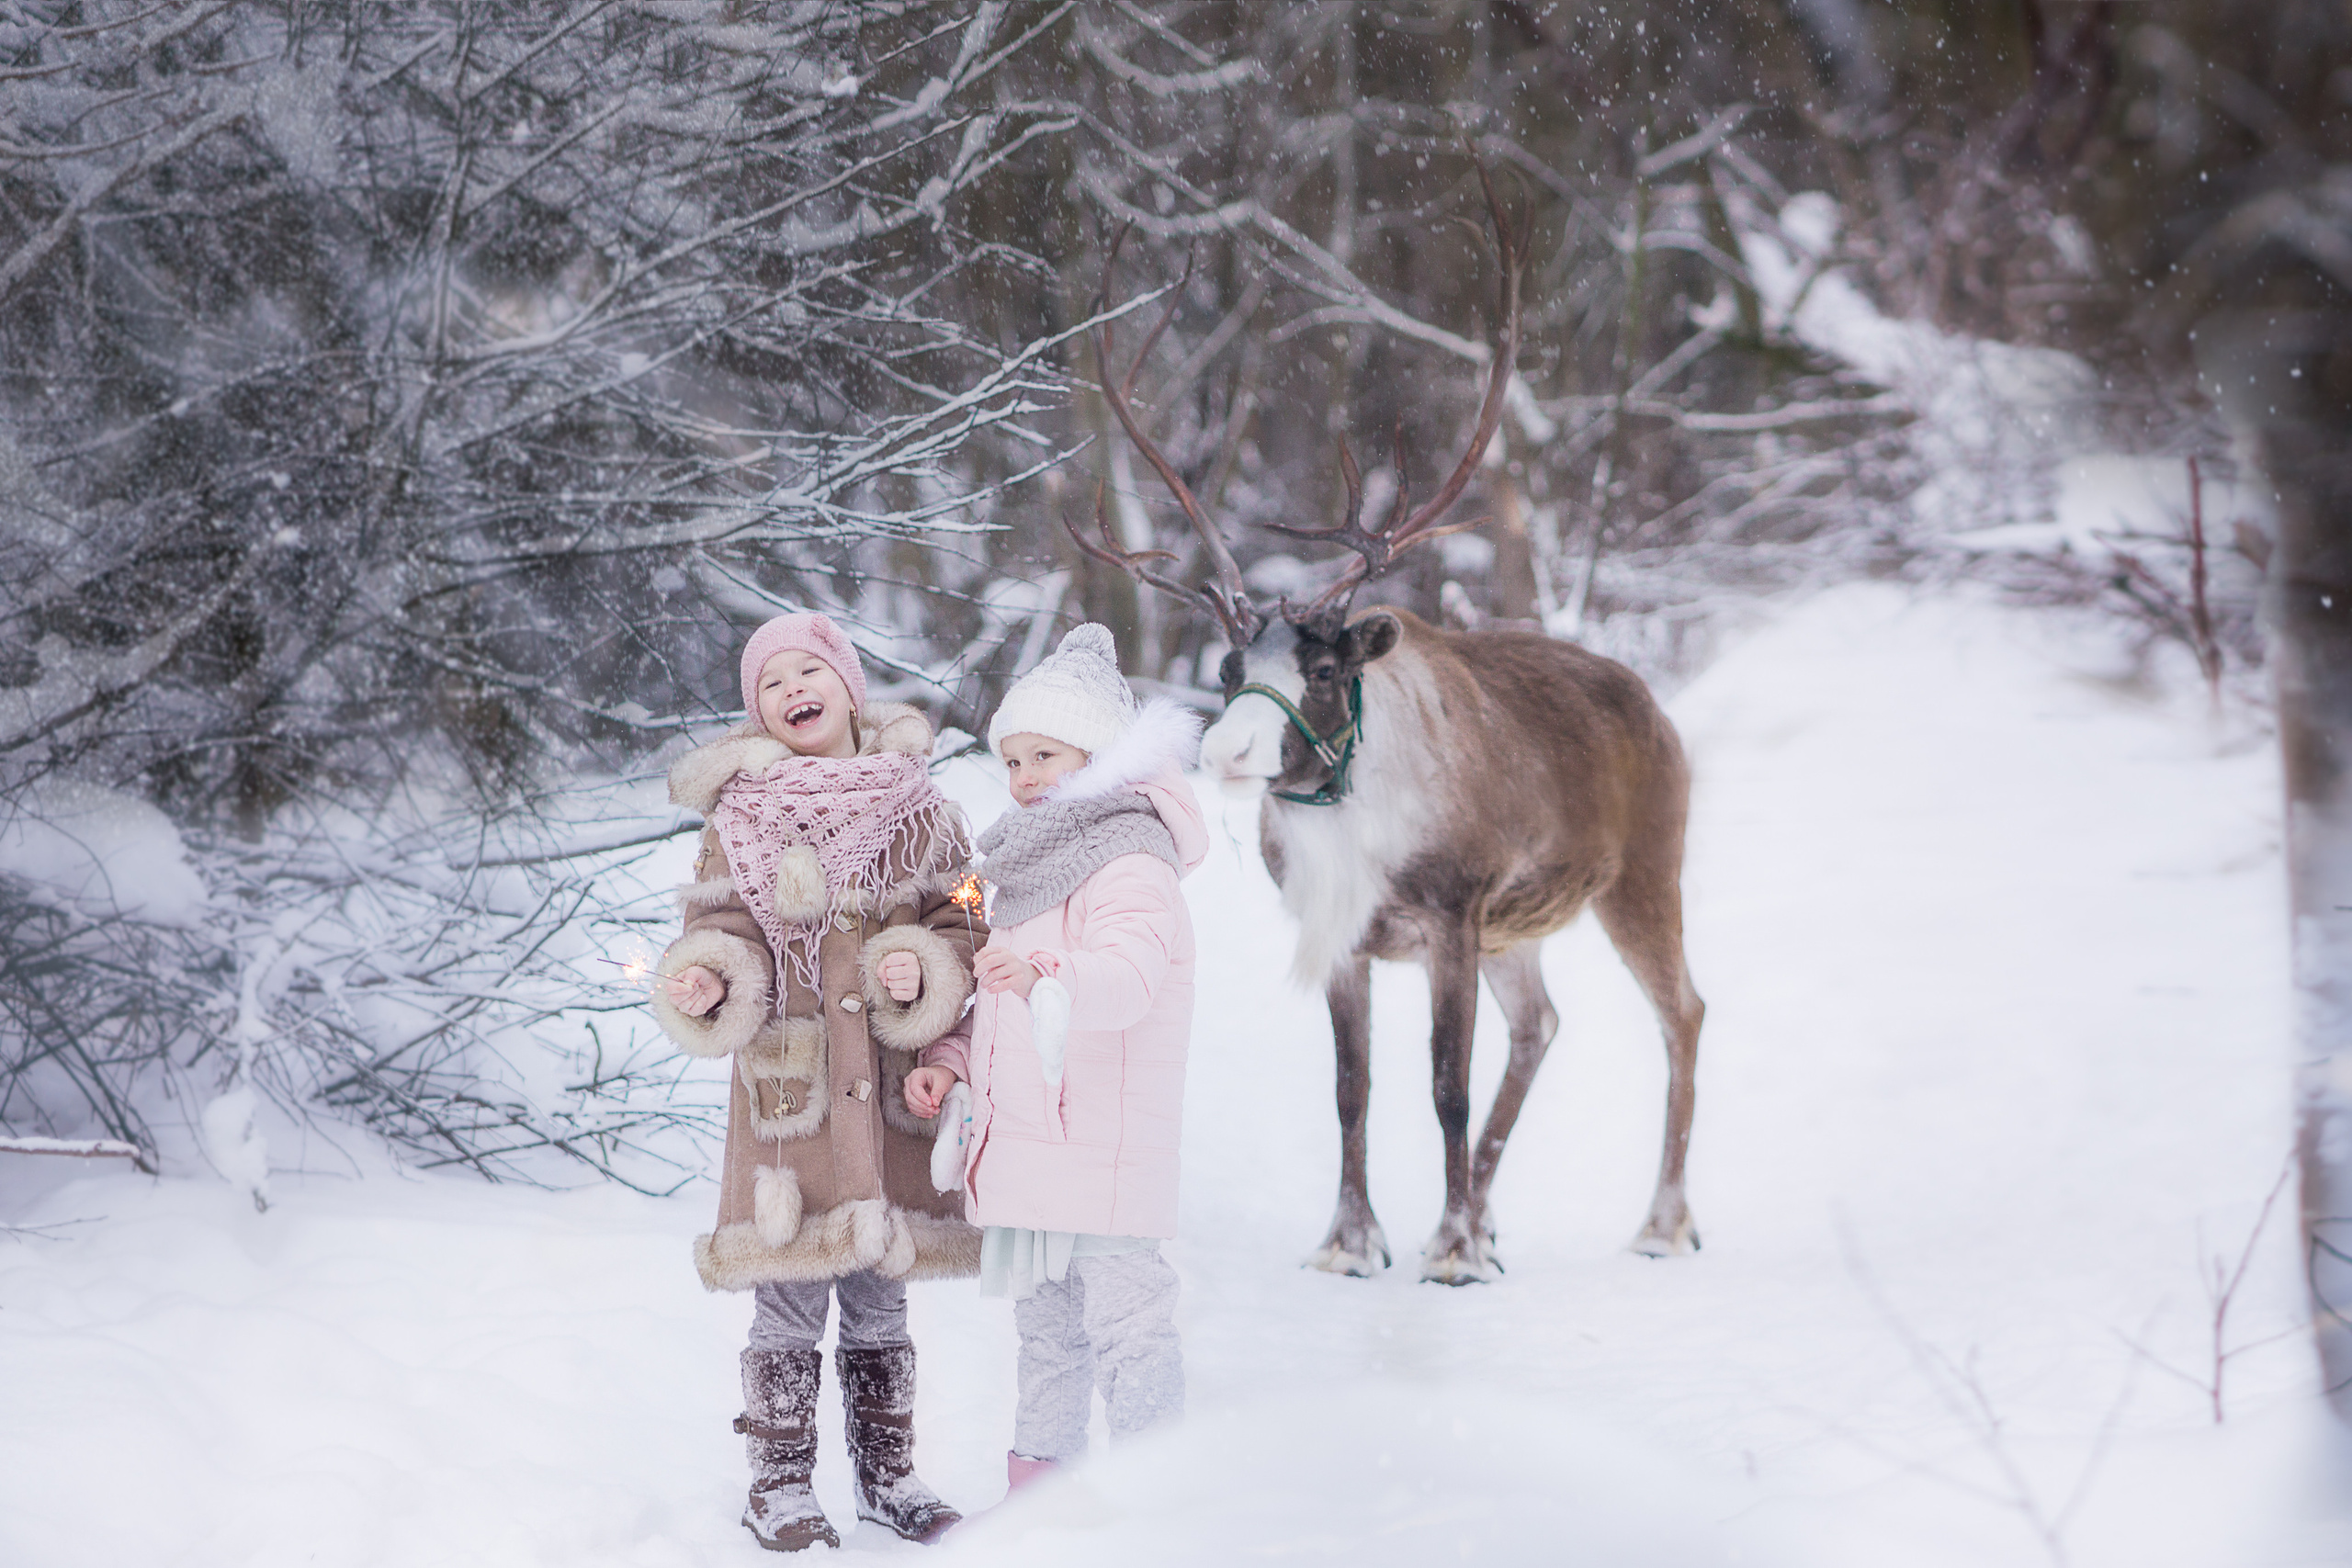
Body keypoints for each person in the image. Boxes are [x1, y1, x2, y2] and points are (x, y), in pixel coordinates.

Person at [650, 612, 982, 1552]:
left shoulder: (930, 814)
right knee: (791, 1287)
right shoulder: (738, 820)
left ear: (848, 686)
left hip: (887, 1086)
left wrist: (928, 960)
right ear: (756, 710)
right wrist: (710, 974)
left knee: (882, 1286)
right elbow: (715, 926)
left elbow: (968, 912)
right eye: (770, 681)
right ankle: (779, 1482)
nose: (794, 689)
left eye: (811, 670)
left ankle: (888, 1475)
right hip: (789, 1102)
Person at [903, 623, 1205, 1497]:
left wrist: (1044, 970)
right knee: (1048, 1339)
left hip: (1100, 1157)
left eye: (1047, 755)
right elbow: (1001, 999)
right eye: (1013, 759)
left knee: (1130, 1329)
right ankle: (1045, 1503)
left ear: (1104, 757)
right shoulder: (1024, 870)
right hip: (1038, 1158)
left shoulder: (1129, 861)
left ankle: (1156, 1497)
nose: (1027, 777)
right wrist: (953, 1059)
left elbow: (1127, 983)